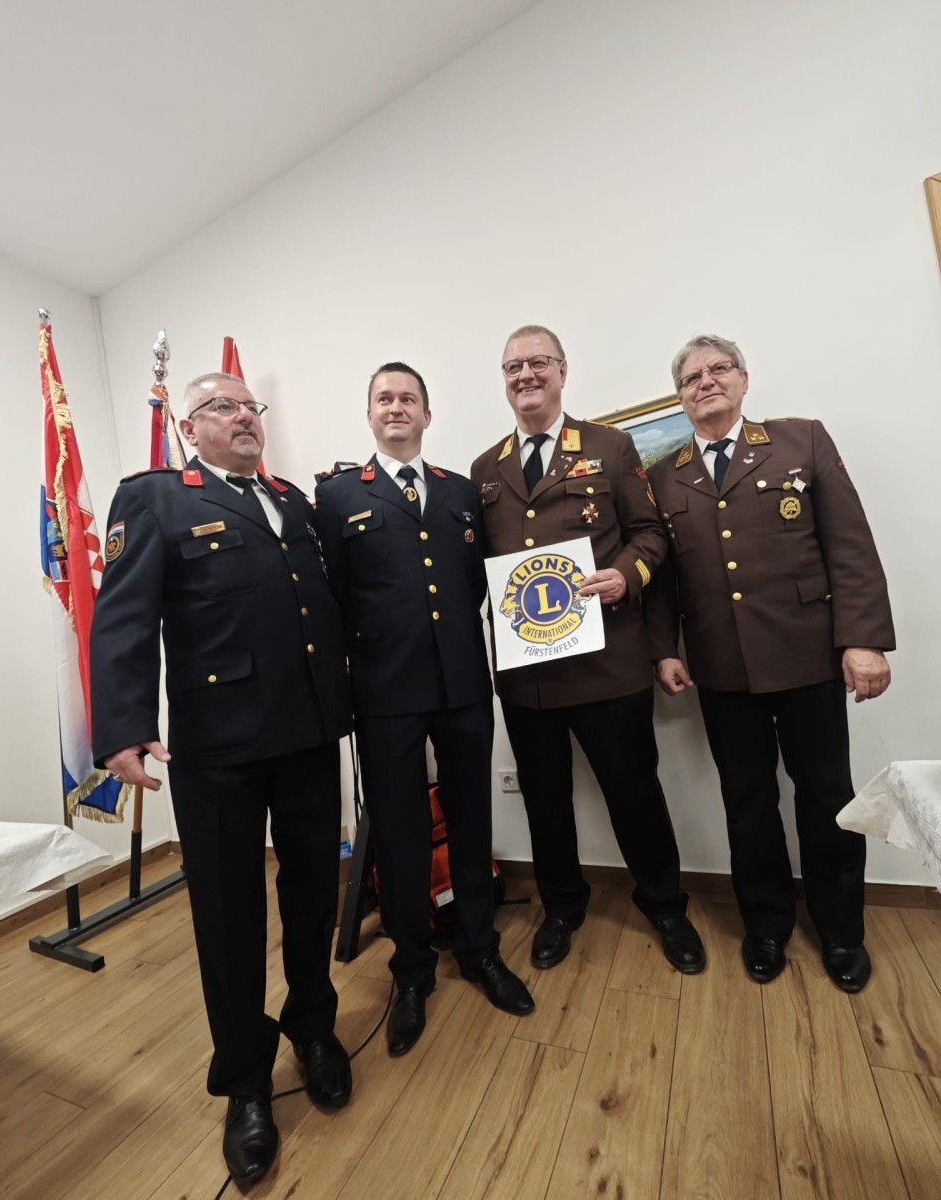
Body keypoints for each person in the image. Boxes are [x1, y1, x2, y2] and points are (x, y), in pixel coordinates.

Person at [90, 372, 353, 1186]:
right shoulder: (156, 499)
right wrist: (123, 725)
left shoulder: (292, 501)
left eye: (250, 406)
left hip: (308, 732)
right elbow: (123, 615)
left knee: (313, 892)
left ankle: (313, 1027)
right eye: (223, 406)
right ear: (189, 427)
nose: (243, 416)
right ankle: (245, 1081)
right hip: (217, 747)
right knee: (230, 915)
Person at [645, 334, 895, 992]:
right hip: (722, 668)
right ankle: (765, 925)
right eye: (692, 377)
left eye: (719, 368)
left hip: (808, 656)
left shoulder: (799, 440)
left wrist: (862, 639)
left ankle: (840, 930)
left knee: (827, 796)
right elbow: (663, 579)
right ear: (680, 396)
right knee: (747, 802)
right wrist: (663, 649)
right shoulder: (665, 477)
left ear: (743, 379)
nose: (706, 381)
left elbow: (850, 545)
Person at [314, 361, 534, 1058]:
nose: (396, 407)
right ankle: (411, 971)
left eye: (408, 398)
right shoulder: (337, 496)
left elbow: (473, 586)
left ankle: (479, 949)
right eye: (384, 398)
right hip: (385, 695)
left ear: (426, 415)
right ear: (370, 414)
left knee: (471, 820)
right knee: (402, 834)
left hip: (462, 683)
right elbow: (333, 596)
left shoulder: (460, 491)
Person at [470, 325, 704, 974]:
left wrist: (626, 575)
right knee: (545, 803)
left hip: (607, 665)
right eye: (513, 366)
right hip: (528, 677)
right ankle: (562, 906)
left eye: (538, 362)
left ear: (562, 370)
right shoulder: (485, 470)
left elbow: (651, 535)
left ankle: (665, 905)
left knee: (634, 794)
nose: (526, 375)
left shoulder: (608, 446)